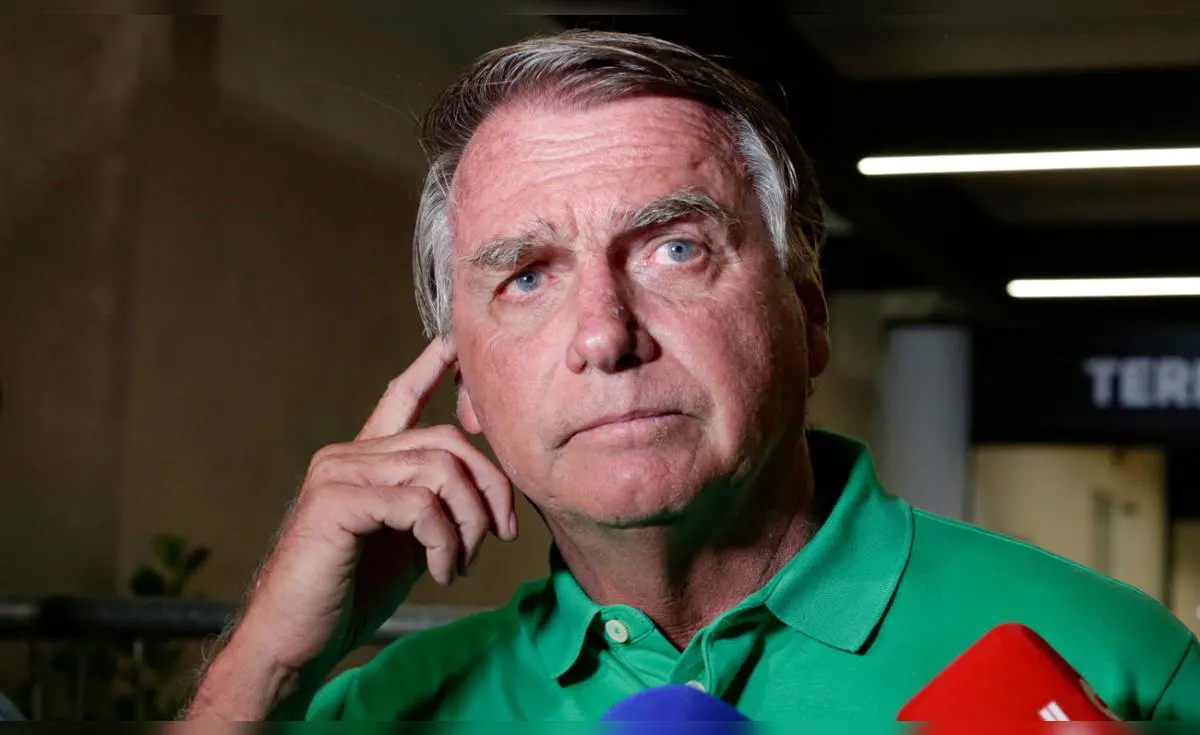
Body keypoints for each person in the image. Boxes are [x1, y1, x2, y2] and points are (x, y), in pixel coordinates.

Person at [184, 30, 1199, 722]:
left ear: (808, 317)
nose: (605, 335)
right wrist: (261, 669)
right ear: (469, 392)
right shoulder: (379, 712)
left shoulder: (1112, 662)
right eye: (528, 276)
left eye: (676, 249)